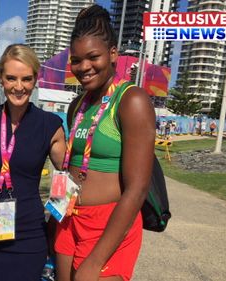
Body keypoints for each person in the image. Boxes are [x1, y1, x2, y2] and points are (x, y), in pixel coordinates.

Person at [54, 5, 155, 281]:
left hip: (109, 226)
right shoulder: (77, 104)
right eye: (76, 60)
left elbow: (137, 188)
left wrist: (96, 259)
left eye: (93, 57)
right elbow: (70, 165)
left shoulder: (132, 101)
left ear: (113, 54)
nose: (83, 67)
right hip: (69, 218)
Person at [0, 44, 66, 281]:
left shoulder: (50, 125)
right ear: (1, 78)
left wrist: (56, 216)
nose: (19, 87)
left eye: (26, 79)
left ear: (36, 79)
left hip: (29, 234)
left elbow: (66, 177)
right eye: (11, 78)